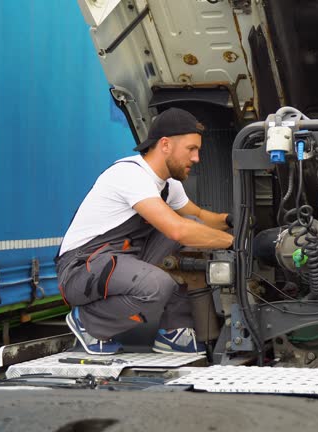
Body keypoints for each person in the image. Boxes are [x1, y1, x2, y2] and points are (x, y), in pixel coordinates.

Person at [55, 108, 234, 355]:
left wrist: (233, 221)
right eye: (191, 149)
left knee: (193, 225)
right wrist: (232, 242)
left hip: (120, 260)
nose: (196, 158)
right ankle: (88, 322)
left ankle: (173, 331)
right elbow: (178, 231)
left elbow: (200, 218)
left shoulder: (169, 185)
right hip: (81, 269)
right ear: (165, 145)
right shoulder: (130, 175)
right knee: (157, 284)